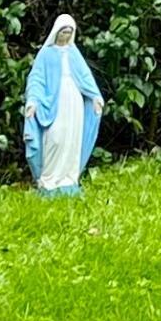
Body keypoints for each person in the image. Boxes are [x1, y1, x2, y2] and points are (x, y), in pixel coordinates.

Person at [20, 13, 101, 193]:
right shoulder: (46, 54)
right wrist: (33, 101)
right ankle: (49, 178)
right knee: (55, 138)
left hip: (74, 102)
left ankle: (69, 178)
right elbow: (36, 79)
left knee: (71, 139)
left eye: (69, 33)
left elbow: (86, 77)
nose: (65, 36)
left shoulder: (74, 53)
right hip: (54, 104)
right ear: (56, 32)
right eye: (63, 32)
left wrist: (95, 97)